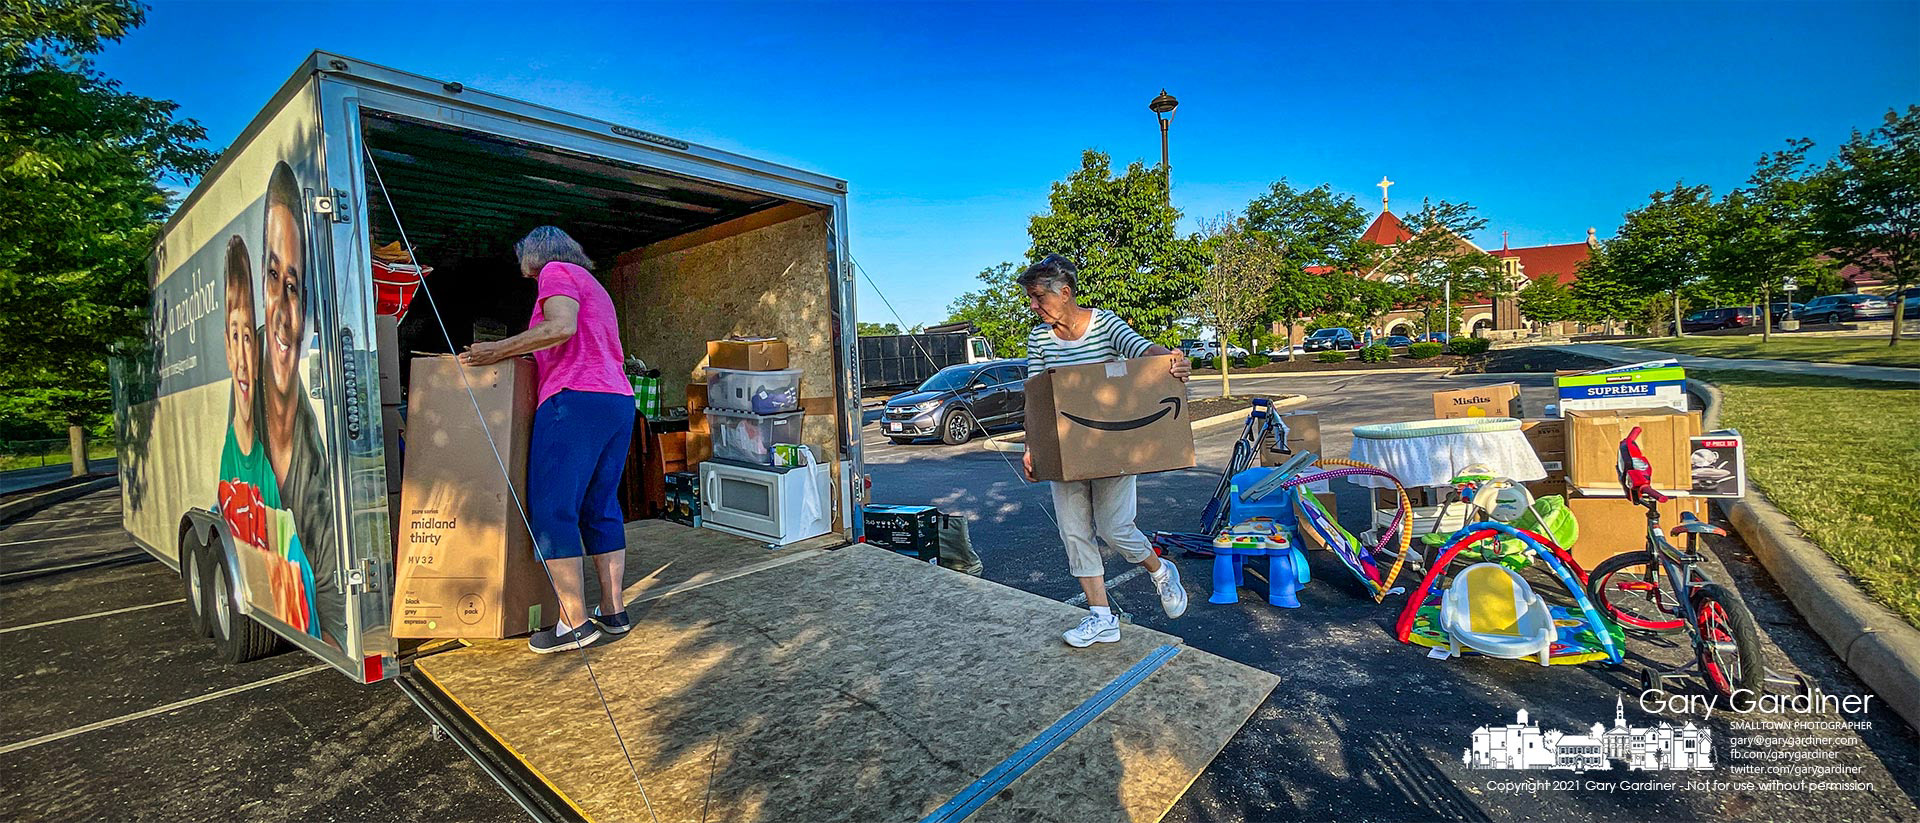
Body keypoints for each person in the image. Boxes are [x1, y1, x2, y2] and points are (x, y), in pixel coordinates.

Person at [461, 226, 635, 654]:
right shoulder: (594, 285)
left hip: (573, 401)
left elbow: (560, 328)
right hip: (616, 401)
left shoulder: (555, 272)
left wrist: (495, 351)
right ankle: (613, 611)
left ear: (534, 255)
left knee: (554, 507)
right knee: (601, 505)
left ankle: (573, 623)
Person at [1017, 254, 1192, 647]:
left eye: (1038, 298)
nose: (1034, 306)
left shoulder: (1105, 324)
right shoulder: (1039, 338)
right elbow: (1036, 397)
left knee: (1115, 529)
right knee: (1074, 532)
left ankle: (1160, 570)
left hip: (1110, 446)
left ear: (1064, 294)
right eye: (1031, 299)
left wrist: (1172, 361)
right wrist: (1032, 448)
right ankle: (1101, 616)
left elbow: (1143, 349)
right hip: (1063, 450)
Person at [259, 163, 334, 642]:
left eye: (295, 286)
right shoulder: (239, 418)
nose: (284, 313)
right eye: (272, 277)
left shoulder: (322, 469)